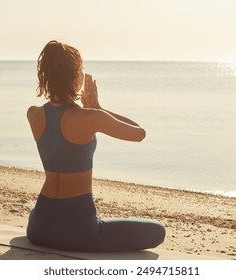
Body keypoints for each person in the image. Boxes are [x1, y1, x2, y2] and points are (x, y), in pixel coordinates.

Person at [25, 40, 166, 252]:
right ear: (74, 77)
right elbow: (139, 133)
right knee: (157, 231)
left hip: (38, 228)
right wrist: (99, 108)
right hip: (80, 232)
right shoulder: (91, 117)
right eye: (80, 70)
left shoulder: (33, 114)